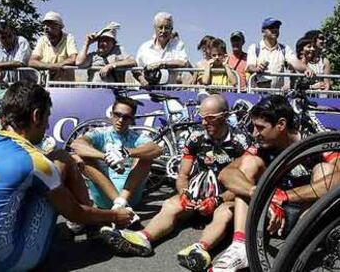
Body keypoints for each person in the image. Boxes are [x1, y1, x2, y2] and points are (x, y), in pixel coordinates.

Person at [0, 81, 133, 270]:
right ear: (36, 116)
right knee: (60, 160)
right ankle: (93, 227)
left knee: (31, 182)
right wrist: (115, 216)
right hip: (9, 261)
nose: (47, 125)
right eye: (47, 118)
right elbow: (74, 211)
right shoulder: (33, 160)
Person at [99, 95, 252, 272]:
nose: (203, 123)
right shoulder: (196, 137)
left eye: (209, 118)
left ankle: (200, 249)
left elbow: (245, 183)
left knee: (224, 213)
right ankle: (143, 238)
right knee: (171, 204)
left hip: (226, 195)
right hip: (199, 190)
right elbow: (183, 174)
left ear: (224, 116)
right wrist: (184, 193)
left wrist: (218, 200)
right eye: (201, 117)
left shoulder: (241, 141)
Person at [215, 95, 340, 271]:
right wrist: (261, 194)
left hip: (307, 214)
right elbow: (226, 174)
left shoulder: (314, 140)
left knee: (325, 169)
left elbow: (338, 180)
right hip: (272, 213)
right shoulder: (261, 145)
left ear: (280, 125)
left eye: (260, 128)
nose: (254, 133)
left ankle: (298, 248)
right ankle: (240, 247)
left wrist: (284, 196)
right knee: (248, 165)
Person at [71, 97, 162, 212]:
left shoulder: (136, 137)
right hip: (103, 196)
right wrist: (105, 156)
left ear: (131, 119)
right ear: (111, 114)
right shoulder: (100, 133)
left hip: (129, 197)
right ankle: (119, 204)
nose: (120, 120)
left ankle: (120, 203)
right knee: (80, 157)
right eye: (117, 115)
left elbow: (157, 149)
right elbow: (76, 145)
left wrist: (125, 152)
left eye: (126, 117)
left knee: (147, 156)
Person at [246, 17, 314, 88]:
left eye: (277, 27)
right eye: (271, 27)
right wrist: (257, 69)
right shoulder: (254, 47)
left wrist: (307, 69)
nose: (275, 29)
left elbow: (295, 62)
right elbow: (250, 66)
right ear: (263, 31)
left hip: (277, 95)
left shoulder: (285, 48)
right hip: (258, 93)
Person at [134, 12, 190, 85]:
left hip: (169, 91)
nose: (163, 31)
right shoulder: (144, 47)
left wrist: (161, 64)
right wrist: (142, 81)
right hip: (147, 91)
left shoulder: (178, 45)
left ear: (171, 29)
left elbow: (184, 63)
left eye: (166, 28)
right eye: (160, 27)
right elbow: (135, 69)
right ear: (155, 28)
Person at [29, 11, 78, 81]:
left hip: (64, 87)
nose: (46, 27)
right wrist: (51, 66)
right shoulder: (42, 40)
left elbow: (73, 59)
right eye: (45, 25)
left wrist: (57, 65)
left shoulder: (68, 38)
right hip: (45, 85)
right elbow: (32, 61)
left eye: (50, 24)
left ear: (59, 26)